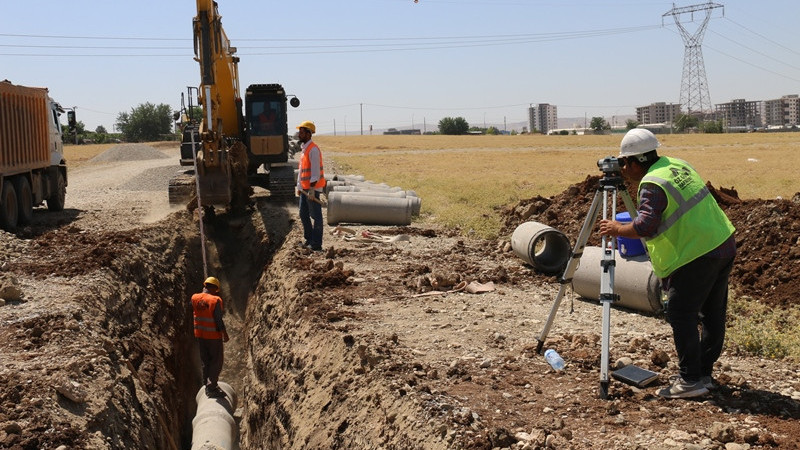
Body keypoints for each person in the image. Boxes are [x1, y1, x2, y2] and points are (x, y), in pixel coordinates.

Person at [598, 128, 736, 399]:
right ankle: (702, 373)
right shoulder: (675, 165)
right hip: (722, 242)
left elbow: (646, 225)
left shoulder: (652, 183)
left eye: (625, 163)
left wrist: (616, 228)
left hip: (697, 253)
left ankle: (690, 381)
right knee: (712, 312)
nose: (624, 169)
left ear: (636, 162)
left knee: (680, 313)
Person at [191, 276, 229, 398]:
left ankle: (206, 384)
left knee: (205, 361)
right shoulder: (214, 300)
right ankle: (212, 387)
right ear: (213, 288)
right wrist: (225, 333)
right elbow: (218, 319)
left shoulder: (194, 298)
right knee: (216, 361)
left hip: (200, 335)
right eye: (216, 289)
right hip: (213, 336)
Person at [295, 120, 326, 251]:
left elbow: (315, 173)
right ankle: (309, 239)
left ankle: (316, 244)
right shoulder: (304, 149)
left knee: (316, 216)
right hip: (305, 189)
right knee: (303, 214)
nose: (299, 135)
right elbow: (302, 170)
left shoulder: (313, 149)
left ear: (308, 134)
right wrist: (299, 187)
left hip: (312, 189)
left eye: (302, 132)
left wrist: (312, 190)